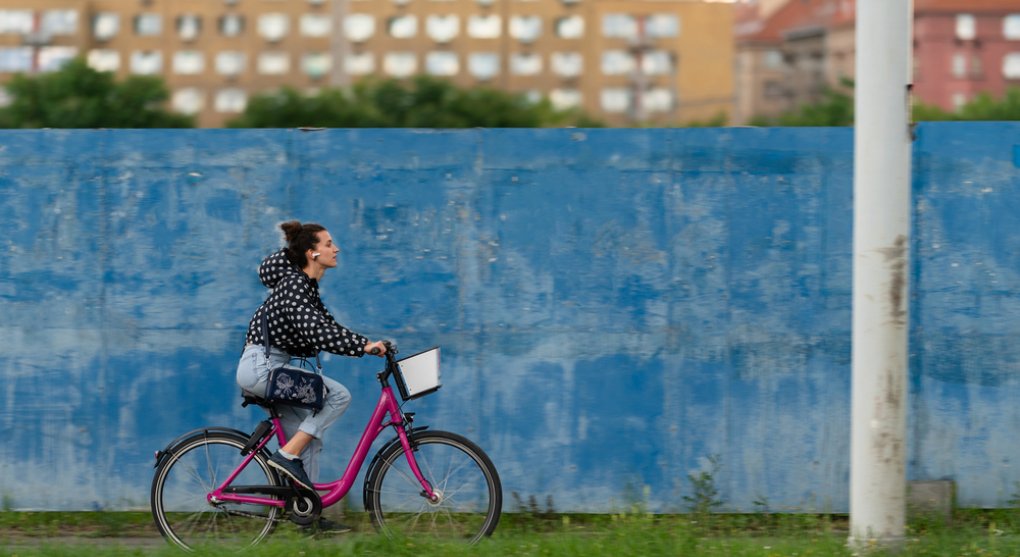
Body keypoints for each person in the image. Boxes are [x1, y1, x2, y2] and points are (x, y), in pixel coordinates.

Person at [236, 220, 386, 530]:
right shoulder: (295, 286)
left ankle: (307, 515)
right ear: (312, 253)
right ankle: (286, 455)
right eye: (329, 243)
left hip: (270, 368)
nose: (336, 248)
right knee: (339, 395)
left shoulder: (306, 288)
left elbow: (329, 327)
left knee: (311, 439)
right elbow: (318, 332)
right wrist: (364, 346)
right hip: (264, 369)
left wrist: (364, 344)